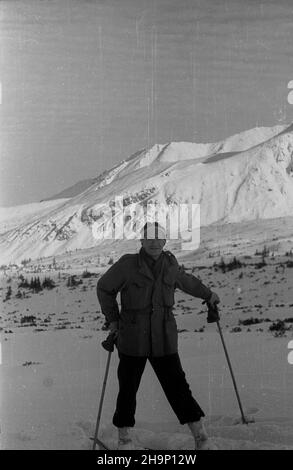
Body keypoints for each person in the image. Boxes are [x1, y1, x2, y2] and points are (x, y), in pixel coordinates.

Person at [96, 221, 220, 450]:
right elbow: (104, 287)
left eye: (159, 238)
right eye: (149, 238)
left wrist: (208, 294)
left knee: (179, 388)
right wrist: (113, 319)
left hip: (164, 338)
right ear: (141, 241)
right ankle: (124, 440)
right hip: (133, 338)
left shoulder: (170, 264)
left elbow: (187, 282)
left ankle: (201, 438)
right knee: (128, 389)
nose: (154, 243)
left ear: (164, 241)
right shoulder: (127, 265)